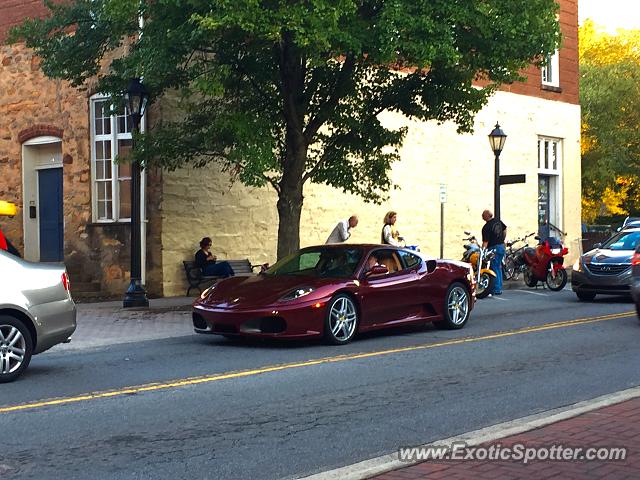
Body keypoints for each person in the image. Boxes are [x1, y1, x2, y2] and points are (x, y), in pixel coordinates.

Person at [481, 209, 507, 296]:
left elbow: (485, 242)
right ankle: (499, 287)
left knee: (493, 268)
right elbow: (505, 229)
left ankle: (496, 289)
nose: (482, 217)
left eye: (483, 216)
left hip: (493, 248)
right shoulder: (497, 221)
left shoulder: (486, 227)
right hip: (501, 246)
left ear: (485, 217)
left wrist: (482, 251)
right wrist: (503, 239)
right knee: (498, 267)